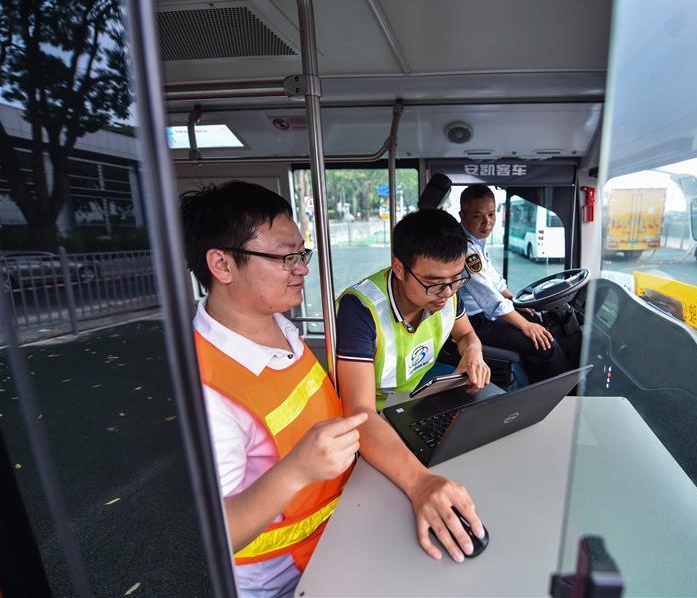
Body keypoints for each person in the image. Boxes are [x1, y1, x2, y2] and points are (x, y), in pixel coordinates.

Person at [181, 181, 367, 597]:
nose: (302, 268)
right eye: (286, 257)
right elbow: (213, 533)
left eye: (301, 254)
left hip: (339, 536)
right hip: (283, 580)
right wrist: (297, 470)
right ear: (222, 265)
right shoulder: (205, 389)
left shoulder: (280, 327)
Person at [335, 209, 490, 564]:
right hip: (371, 429)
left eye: (456, 279)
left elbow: (465, 333)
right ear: (399, 268)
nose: (446, 293)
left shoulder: (446, 291)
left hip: (416, 409)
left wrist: (474, 352)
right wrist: (420, 483)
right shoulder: (360, 309)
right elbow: (358, 412)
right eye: (435, 283)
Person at [457, 184, 571, 383]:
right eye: (478, 216)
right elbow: (490, 299)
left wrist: (516, 302)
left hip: (484, 315)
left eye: (491, 214)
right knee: (545, 345)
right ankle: (567, 394)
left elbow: (495, 281)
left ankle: (535, 384)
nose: (487, 223)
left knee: (539, 324)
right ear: (462, 215)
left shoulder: (475, 242)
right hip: (475, 321)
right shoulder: (465, 250)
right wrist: (524, 325)